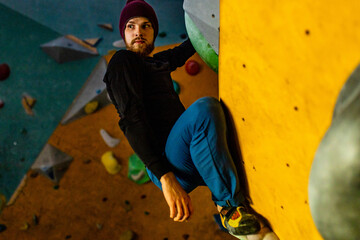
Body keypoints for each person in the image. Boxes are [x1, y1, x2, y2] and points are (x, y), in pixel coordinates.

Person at [103, 0, 261, 236]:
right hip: (168, 164)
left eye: (146, 26)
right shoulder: (122, 62)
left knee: (225, 118)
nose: (138, 32)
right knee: (205, 109)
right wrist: (165, 178)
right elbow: (131, 119)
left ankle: (232, 204)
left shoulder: (157, 62)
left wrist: (226, 16)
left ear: (154, 32)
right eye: (130, 26)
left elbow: (192, 44)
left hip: (194, 156)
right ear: (123, 34)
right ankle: (229, 209)